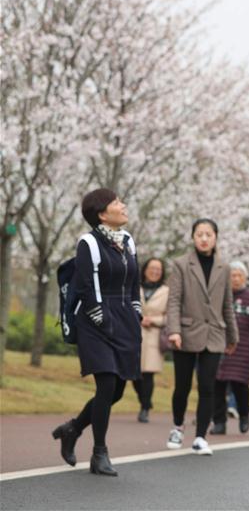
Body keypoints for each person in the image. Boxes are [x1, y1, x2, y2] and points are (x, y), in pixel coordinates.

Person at [52, 189, 141, 476]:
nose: (123, 205)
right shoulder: (88, 243)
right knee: (105, 384)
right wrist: (102, 318)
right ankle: (99, 453)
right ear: (102, 213)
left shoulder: (127, 240)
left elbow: (134, 281)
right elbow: (86, 286)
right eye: (117, 203)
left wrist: (136, 310)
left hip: (125, 317)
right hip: (95, 320)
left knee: (116, 391)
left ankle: (73, 429)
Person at [165, 218, 238, 455]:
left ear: (216, 237)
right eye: (199, 234)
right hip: (185, 333)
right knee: (183, 386)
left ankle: (200, 437)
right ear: (193, 237)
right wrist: (173, 330)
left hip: (214, 334)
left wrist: (232, 336)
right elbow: (174, 299)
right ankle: (177, 427)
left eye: (208, 234)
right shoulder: (181, 264)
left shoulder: (224, 267)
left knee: (208, 387)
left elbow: (227, 304)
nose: (204, 238)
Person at [210, 261, 249, 435]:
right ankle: (219, 422)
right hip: (220, 347)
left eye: (239, 276)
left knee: (240, 386)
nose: (236, 279)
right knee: (218, 385)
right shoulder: (219, 296)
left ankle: (244, 414)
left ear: (245, 278)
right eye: (232, 276)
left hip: (244, 351)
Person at [133, 257, 169, 423]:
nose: (154, 272)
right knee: (134, 374)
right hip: (135, 334)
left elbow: (169, 316)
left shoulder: (166, 291)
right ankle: (145, 401)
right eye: (152, 268)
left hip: (154, 336)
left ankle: (145, 408)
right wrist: (139, 318)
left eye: (158, 270)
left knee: (147, 374)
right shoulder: (134, 287)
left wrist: (153, 320)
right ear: (145, 269)